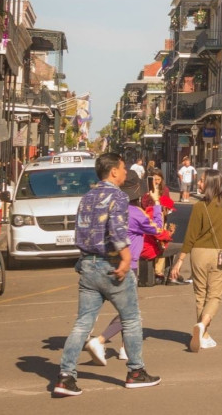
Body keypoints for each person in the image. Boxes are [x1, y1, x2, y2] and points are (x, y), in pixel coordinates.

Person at [54, 153, 161, 396]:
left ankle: (65, 375)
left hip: (88, 264)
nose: (125, 173)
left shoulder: (87, 196)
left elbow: (79, 231)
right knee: (131, 319)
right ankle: (136, 371)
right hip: (111, 264)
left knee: (83, 322)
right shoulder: (118, 196)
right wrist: (125, 257)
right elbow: (116, 228)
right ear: (113, 171)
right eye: (123, 169)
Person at [84, 170, 168, 366]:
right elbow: (158, 229)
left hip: (104, 261)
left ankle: (123, 347)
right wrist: (156, 204)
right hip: (129, 265)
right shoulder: (136, 213)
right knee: (131, 312)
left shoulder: (109, 207)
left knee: (112, 309)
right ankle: (101, 340)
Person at [168, 169, 222, 352]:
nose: (198, 184)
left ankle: (204, 334)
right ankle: (203, 326)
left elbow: (191, 235)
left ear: (210, 184)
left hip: (199, 253)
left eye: (201, 181)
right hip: (221, 254)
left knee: (200, 295)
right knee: (214, 295)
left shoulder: (200, 207)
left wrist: (179, 260)